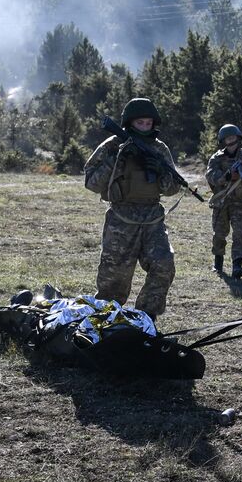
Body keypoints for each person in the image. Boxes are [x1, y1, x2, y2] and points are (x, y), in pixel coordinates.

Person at [82, 98, 180, 322]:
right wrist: (116, 159)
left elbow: (173, 188)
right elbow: (91, 183)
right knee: (114, 280)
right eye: (139, 123)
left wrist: (161, 171)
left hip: (152, 219)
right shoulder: (112, 145)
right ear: (129, 123)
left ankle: (146, 318)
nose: (145, 127)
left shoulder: (159, 148)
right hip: (121, 220)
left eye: (148, 123)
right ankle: (106, 322)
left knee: (163, 265)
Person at [205, 124, 242, 278]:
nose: (231, 141)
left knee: (240, 233)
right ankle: (218, 262)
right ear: (223, 141)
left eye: (233, 137)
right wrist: (226, 176)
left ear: (238, 138)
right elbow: (210, 176)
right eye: (228, 138)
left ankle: (237, 265)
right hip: (222, 201)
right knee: (220, 233)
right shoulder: (216, 158)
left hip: (240, 202)